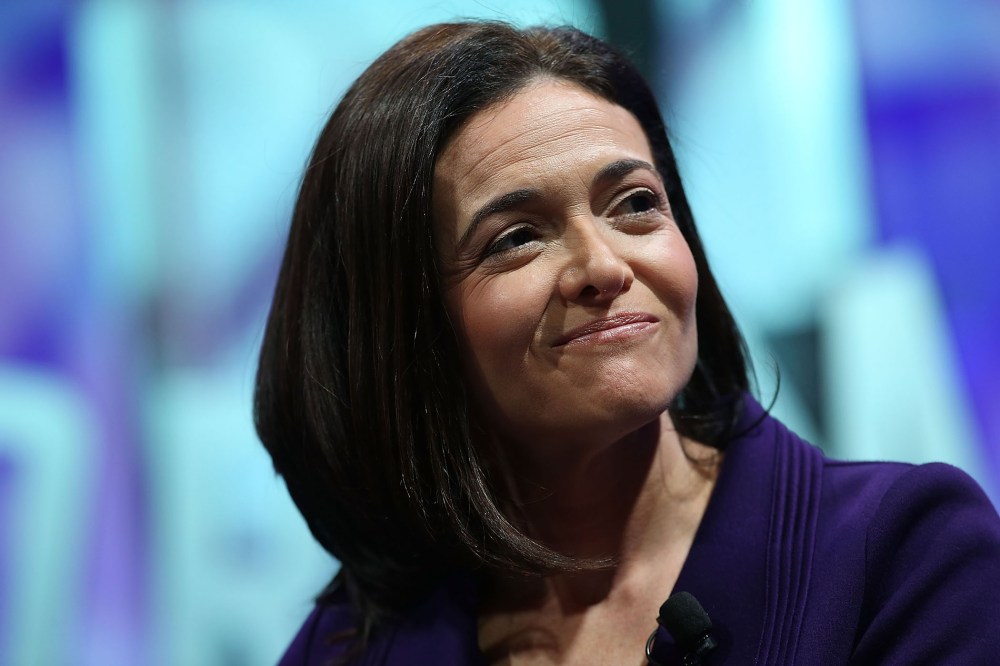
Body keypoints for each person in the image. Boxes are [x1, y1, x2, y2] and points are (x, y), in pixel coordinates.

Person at [254, 20, 1000, 665]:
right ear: (400, 332)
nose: (606, 266)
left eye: (636, 204)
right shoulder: (352, 642)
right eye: (515, 238)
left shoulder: (903, 558)